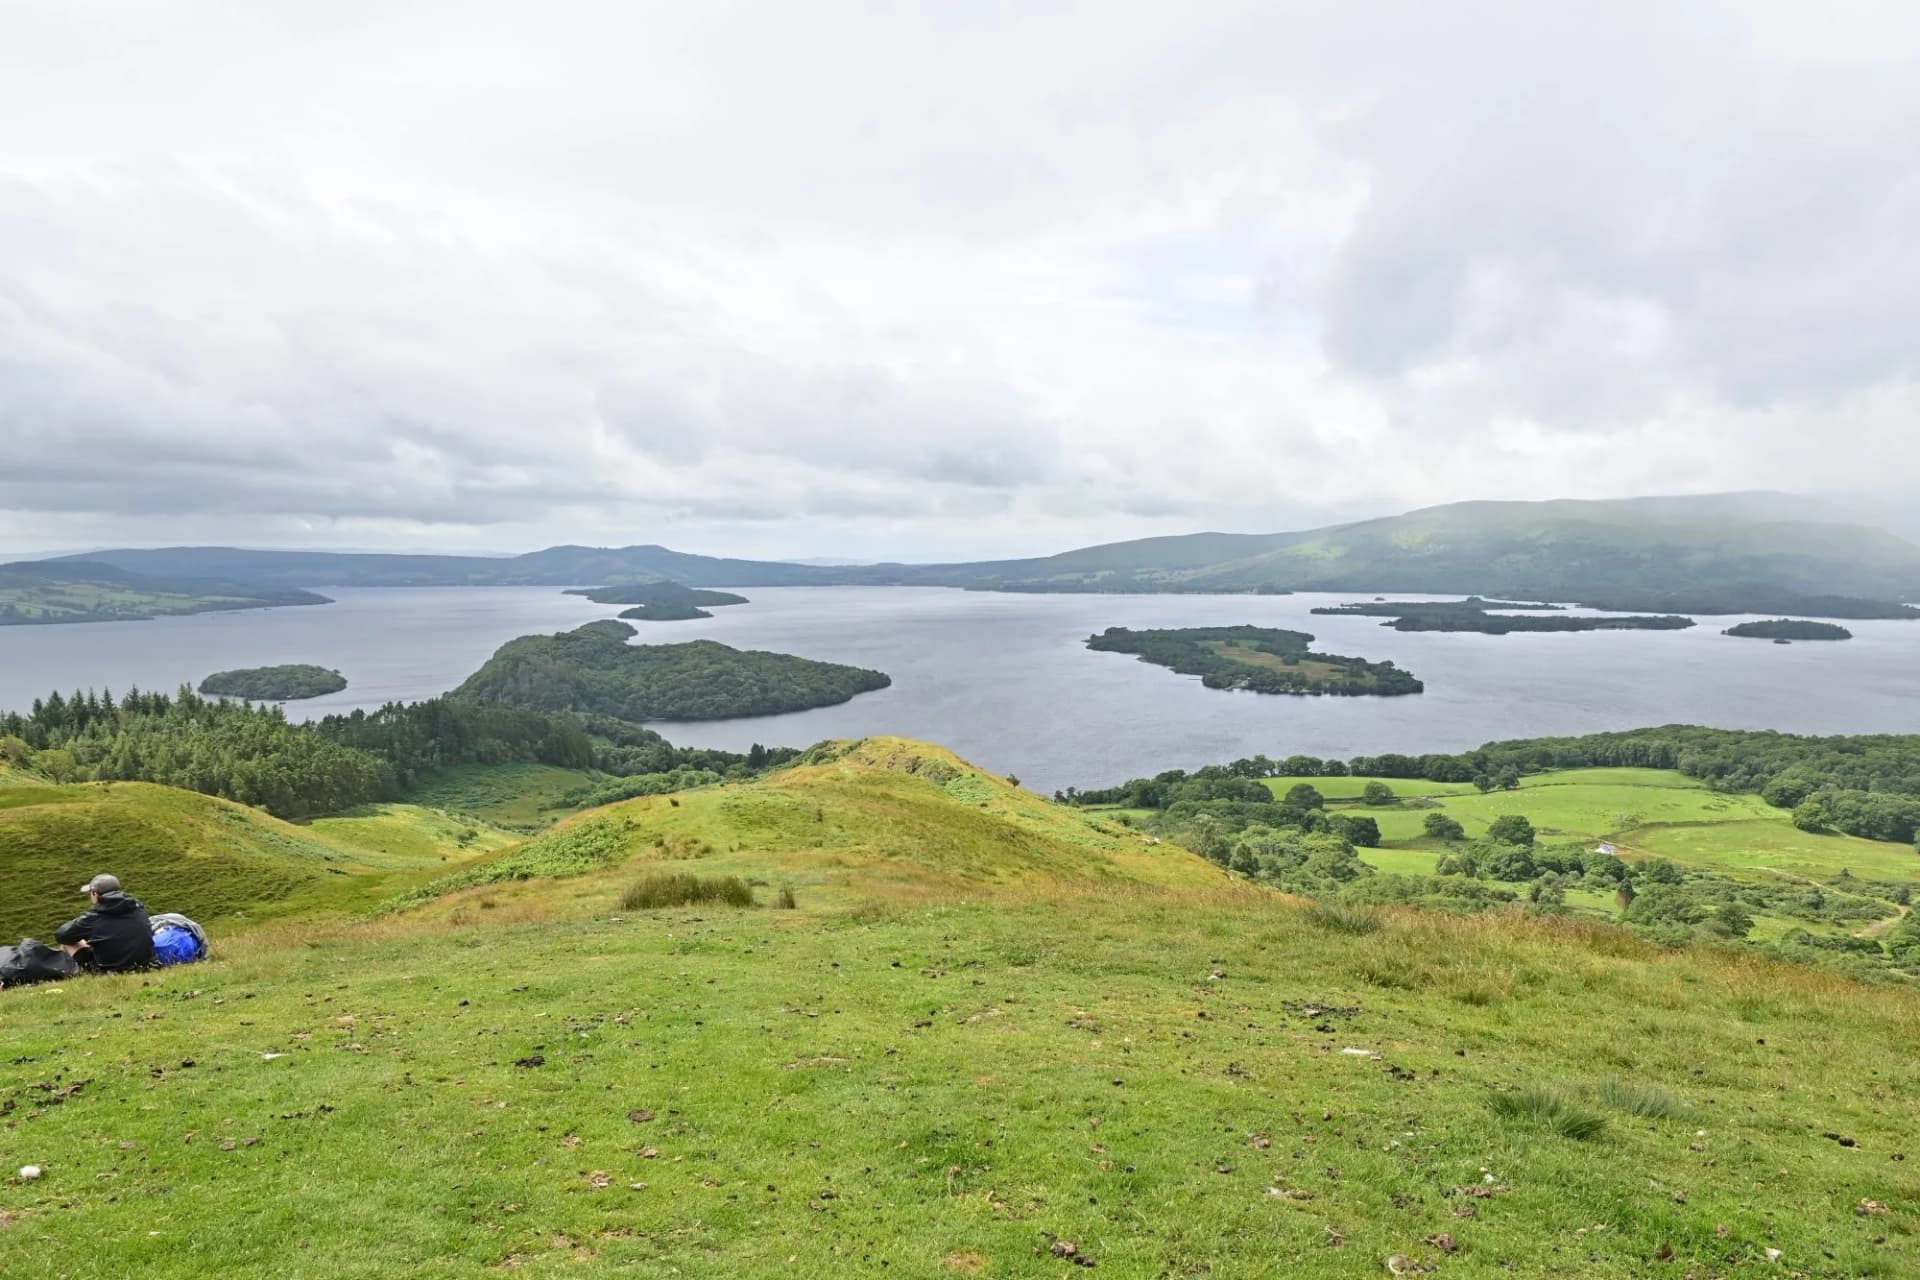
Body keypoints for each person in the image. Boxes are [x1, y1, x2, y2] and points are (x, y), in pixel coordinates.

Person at [55, 873, 155, 973]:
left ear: (95, 893)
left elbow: (61, 935)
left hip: (109, 970)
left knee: (68, 943)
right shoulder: (137, 907)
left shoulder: (93, 916)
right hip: (146, 964)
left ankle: (72, 972)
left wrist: (79, 922)